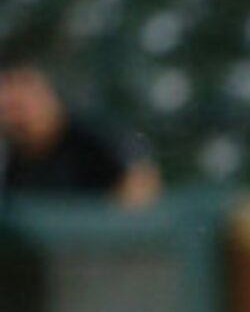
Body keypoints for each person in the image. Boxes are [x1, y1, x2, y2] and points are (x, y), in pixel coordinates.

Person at [0, 61, 159, 205]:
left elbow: (140, 179)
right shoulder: (12, 155)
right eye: (6, 111)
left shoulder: (94, 134)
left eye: (17, 108)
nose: (13, 120)